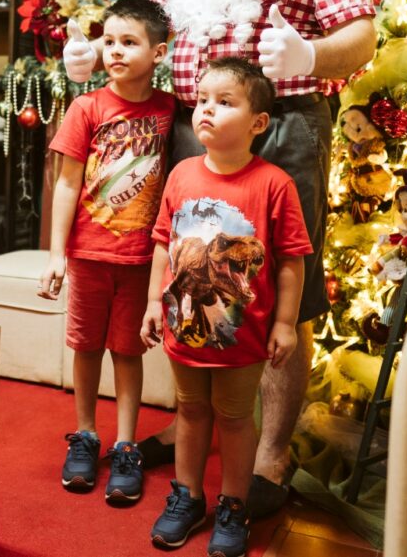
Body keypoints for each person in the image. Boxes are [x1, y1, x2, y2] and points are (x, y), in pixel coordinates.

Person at [65, 0, 377, 518]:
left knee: (273, 290)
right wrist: (93, 56)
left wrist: (312, 50)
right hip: (185, 129)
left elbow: (360, 37)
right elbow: (154, 35)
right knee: (184, 279)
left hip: (283, 126)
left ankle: (267, 451)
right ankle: (193, 418)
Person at [141, 58, 310, 557]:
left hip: (243, 336)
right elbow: (162, 244)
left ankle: (233, 504)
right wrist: (154, 301)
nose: (207, 110)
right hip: (181, 329)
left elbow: (291, 262)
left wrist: (285, 323)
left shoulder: (274, 184)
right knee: (190, 411)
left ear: (258, 123)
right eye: (202, 99)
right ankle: (186, 497)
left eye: (225, 102)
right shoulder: (181, 174)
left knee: (235, 418)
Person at [37, 0, 174, 504]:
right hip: (89, 255)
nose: (115, 51)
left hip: (141, 259)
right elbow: (67, 183)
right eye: (109, 41)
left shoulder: (168, 109)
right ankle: (86, 434)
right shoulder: (86, 107)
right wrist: (56, 254)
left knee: (127, 351)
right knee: (86, 346)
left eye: (129, 42)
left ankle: (125, 446)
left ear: (158, 52)